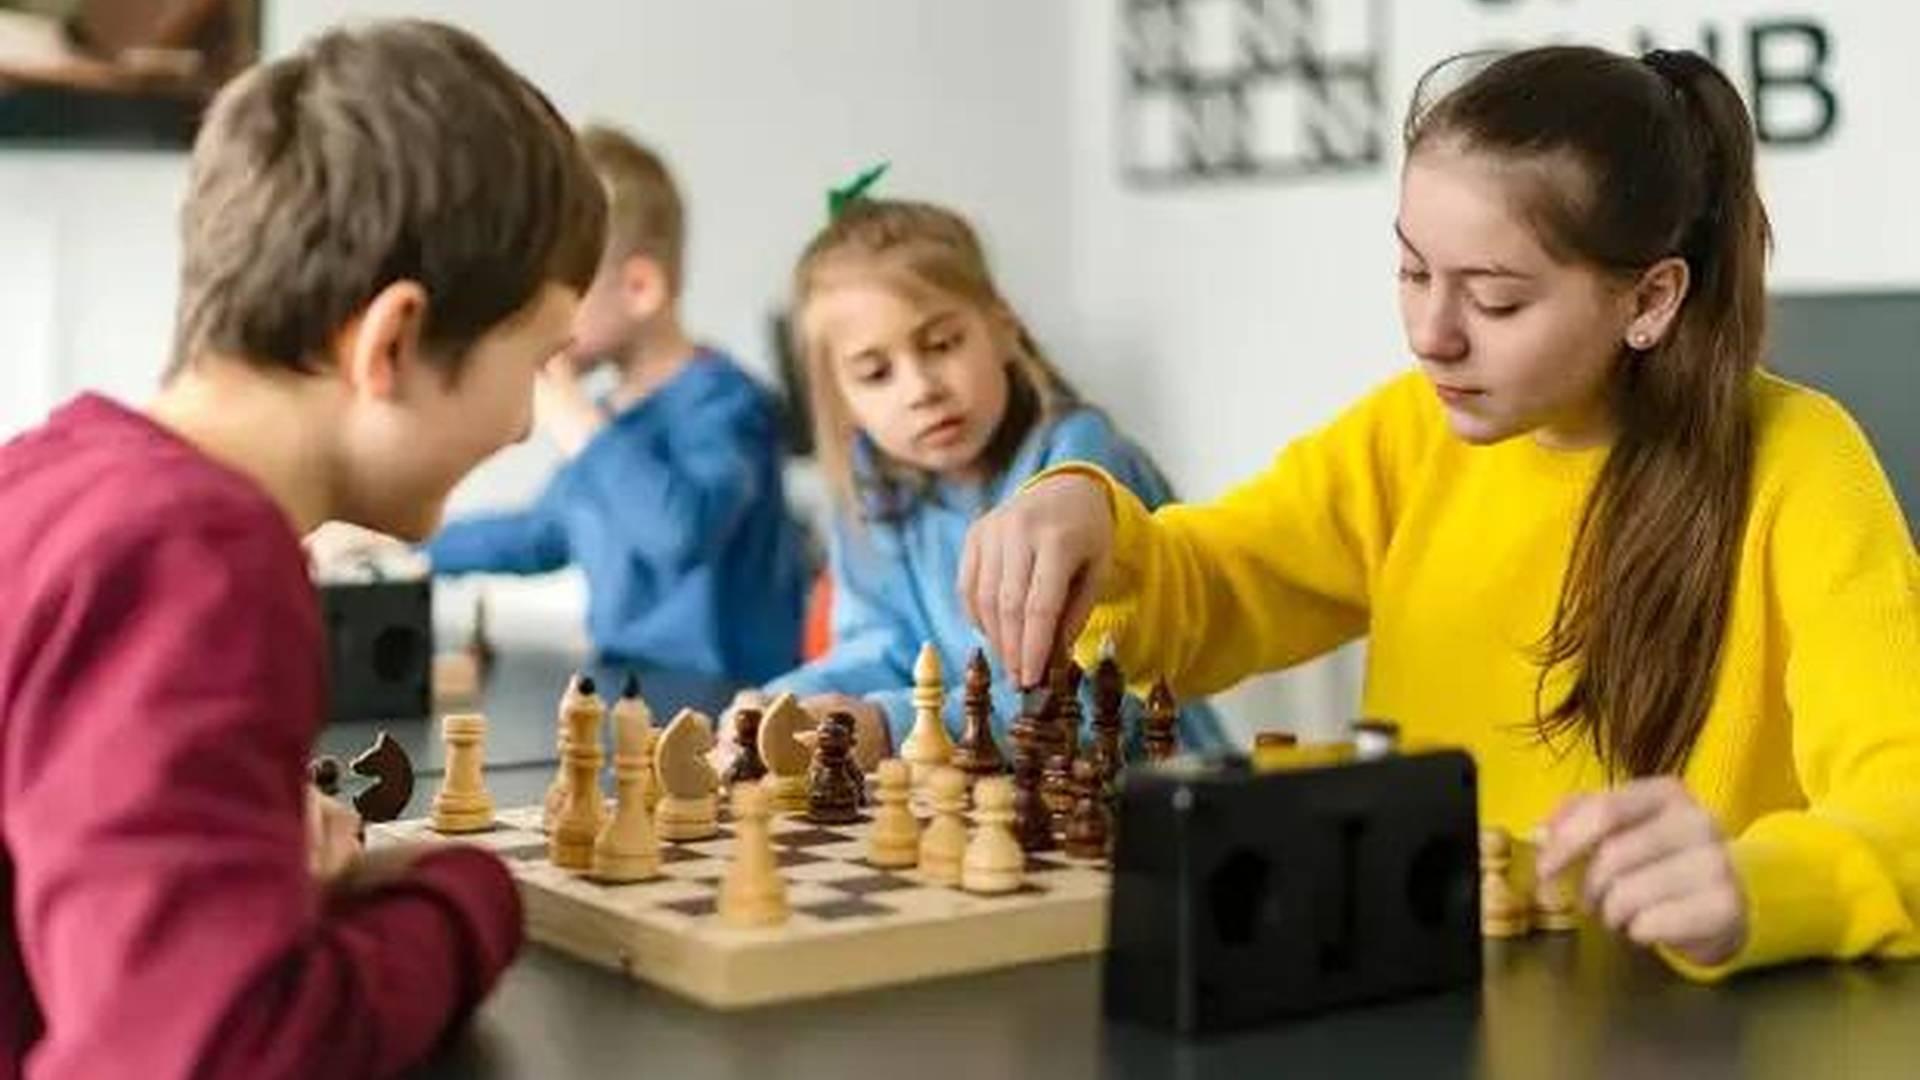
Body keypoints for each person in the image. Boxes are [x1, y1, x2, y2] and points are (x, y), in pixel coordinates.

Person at [960, 45, 1920, 979]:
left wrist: (1762, 886)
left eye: (1496, 301)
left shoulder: (1803, 465)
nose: (1431, 335)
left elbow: (1904, 801)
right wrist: (1089, 517)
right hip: (1430, 992)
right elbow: (1212, 588)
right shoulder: (1410, 435)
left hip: (1681, 1032)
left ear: (1651, 299)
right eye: (1414, 273)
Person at [0, 19, 605, 1075]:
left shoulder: (48, 472)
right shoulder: (199, 555)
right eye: (539, 359)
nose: (523, 426)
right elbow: (215, 1055)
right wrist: (463, 897)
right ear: (394, 343)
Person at [739, 187, 1225, 764]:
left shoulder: (1084, 472)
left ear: (1002, 327)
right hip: (1000, 804)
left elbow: (1096, 702)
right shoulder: (875, 494)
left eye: (943, 344)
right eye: (876, 373)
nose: (921, 389)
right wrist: (787, 701)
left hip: (1149, 799)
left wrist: (895, 727)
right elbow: (886, 650)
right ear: (841, 399)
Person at [423, 124, 808, 684]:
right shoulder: (610, 421)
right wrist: (406, 546)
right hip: (623, 687)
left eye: (558, 293)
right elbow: (542, 534)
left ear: (639, 288)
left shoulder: (726, 404)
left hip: (726, 707)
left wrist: (580, 425)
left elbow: (679, 532)